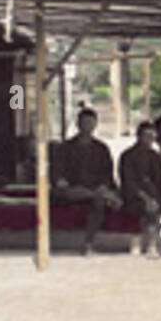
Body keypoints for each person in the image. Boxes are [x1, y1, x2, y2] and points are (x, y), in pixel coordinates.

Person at [52, 106, 122, 255]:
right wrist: (60, 180)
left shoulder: (101, 148)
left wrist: (104, 186)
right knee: (63, 193)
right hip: (72, 189)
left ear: (95, 125)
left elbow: (108, 174)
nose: (88, 126)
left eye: (91, 123)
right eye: (85, 122)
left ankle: (88, 243)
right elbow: (57, 171)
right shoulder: (65, 147)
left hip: (95, 190)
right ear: (78, 124)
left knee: (99, 202)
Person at [117, 120, 161, 257]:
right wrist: (146, 198)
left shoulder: (155, 156)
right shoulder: (127, 156)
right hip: (134, 196)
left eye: (152, 136)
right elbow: (128, 182)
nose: (149, 139)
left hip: (155, 193)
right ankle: (151, 245)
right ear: (139, 136)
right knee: (149, 208)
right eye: (146, 136)